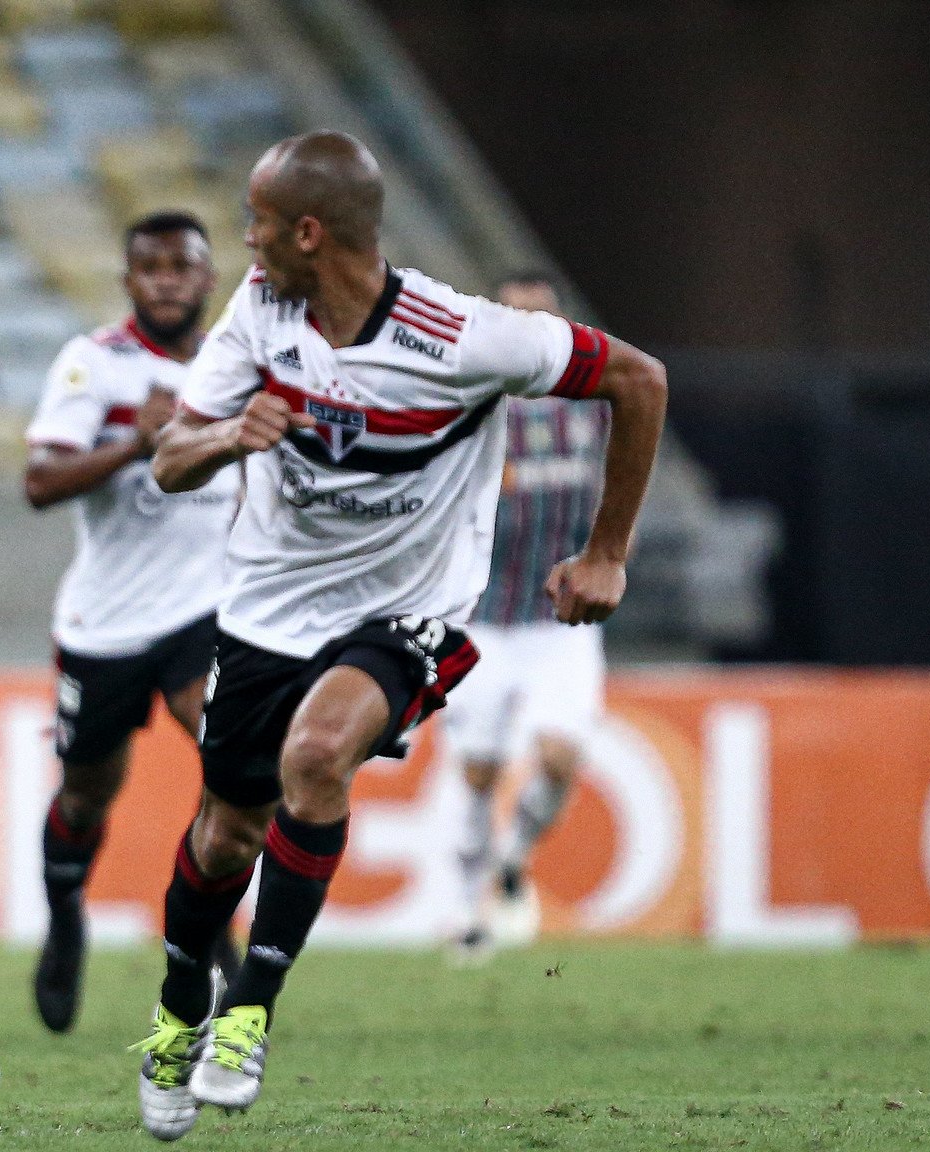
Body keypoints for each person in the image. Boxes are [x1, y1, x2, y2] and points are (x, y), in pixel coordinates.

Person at [129, 131, 667, 1140]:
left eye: (256, 222)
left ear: (308, 231)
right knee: (226, 832)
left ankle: (248, 1015)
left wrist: (606, 553)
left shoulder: (465, 337)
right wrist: (228, 436)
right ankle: (178, 1007)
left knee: (317, 755)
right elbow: (168, 459)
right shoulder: (259, 311)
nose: (244, 242)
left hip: (405, 611)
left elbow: (638, 380)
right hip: (267, 610)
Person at [21, 211, 240, 1034]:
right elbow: (39, 483)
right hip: (106, 620)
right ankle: (64, 919)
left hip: (206, 612)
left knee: (233, 763)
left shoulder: (237, 366)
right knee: (85, 796)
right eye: (151, 268)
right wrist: (135, 445)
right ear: (129, 281)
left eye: (181, 267)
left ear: (207, 278)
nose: (167, 281)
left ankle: (211, 932)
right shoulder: (95, 364)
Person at [441, 273, 611, 962]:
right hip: (481, 615)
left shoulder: (595, 405)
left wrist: (610, 552)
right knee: (478, 773)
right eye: (517, 319)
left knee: (560, 757)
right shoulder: (466, 404)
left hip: (558, 619)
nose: (532, 335)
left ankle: (512, 860)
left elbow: (623, 474)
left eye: (544, 319)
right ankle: (466, 910)